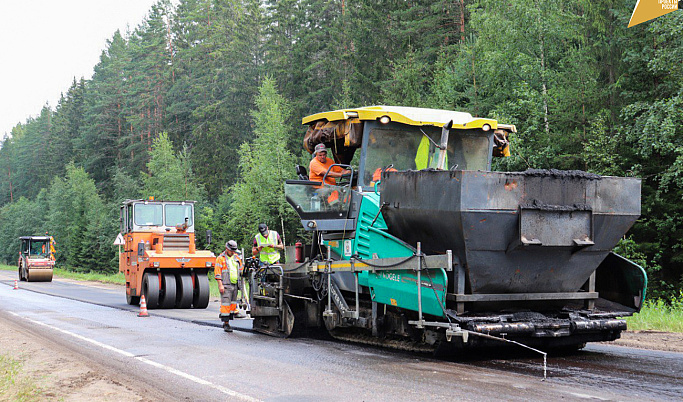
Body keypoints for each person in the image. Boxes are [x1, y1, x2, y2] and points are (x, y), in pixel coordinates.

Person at [215, 240, 242, 332]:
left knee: (233, 303)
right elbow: (217, 273)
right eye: (232, 250)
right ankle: (226, 324)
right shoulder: (220, 258)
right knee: (226, 304)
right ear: (227, 249)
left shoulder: (237, 258)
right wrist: (220, 285)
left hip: (235, 284)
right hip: (226, 284)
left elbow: (241, 270)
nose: (233, 252)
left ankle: (230, 317)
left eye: (234, 250)